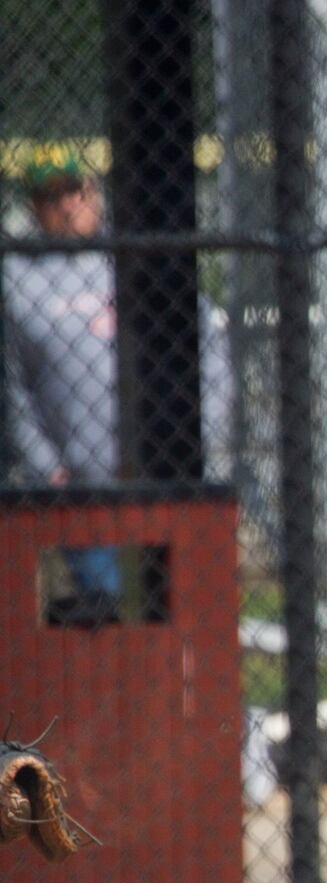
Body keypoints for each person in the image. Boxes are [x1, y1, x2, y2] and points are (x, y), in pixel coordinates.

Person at [4, 146, 233, 605]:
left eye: (74, 190)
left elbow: (209, 353)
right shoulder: (16, 278)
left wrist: (204, 435)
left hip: (168, 471)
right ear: (34, 208)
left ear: (94, 191)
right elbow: (12, 387)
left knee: (180, 603)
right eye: (52, 197)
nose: (68, 205)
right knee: (106, 606)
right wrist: (45, 467)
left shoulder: (141, 257)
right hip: (81, 483)